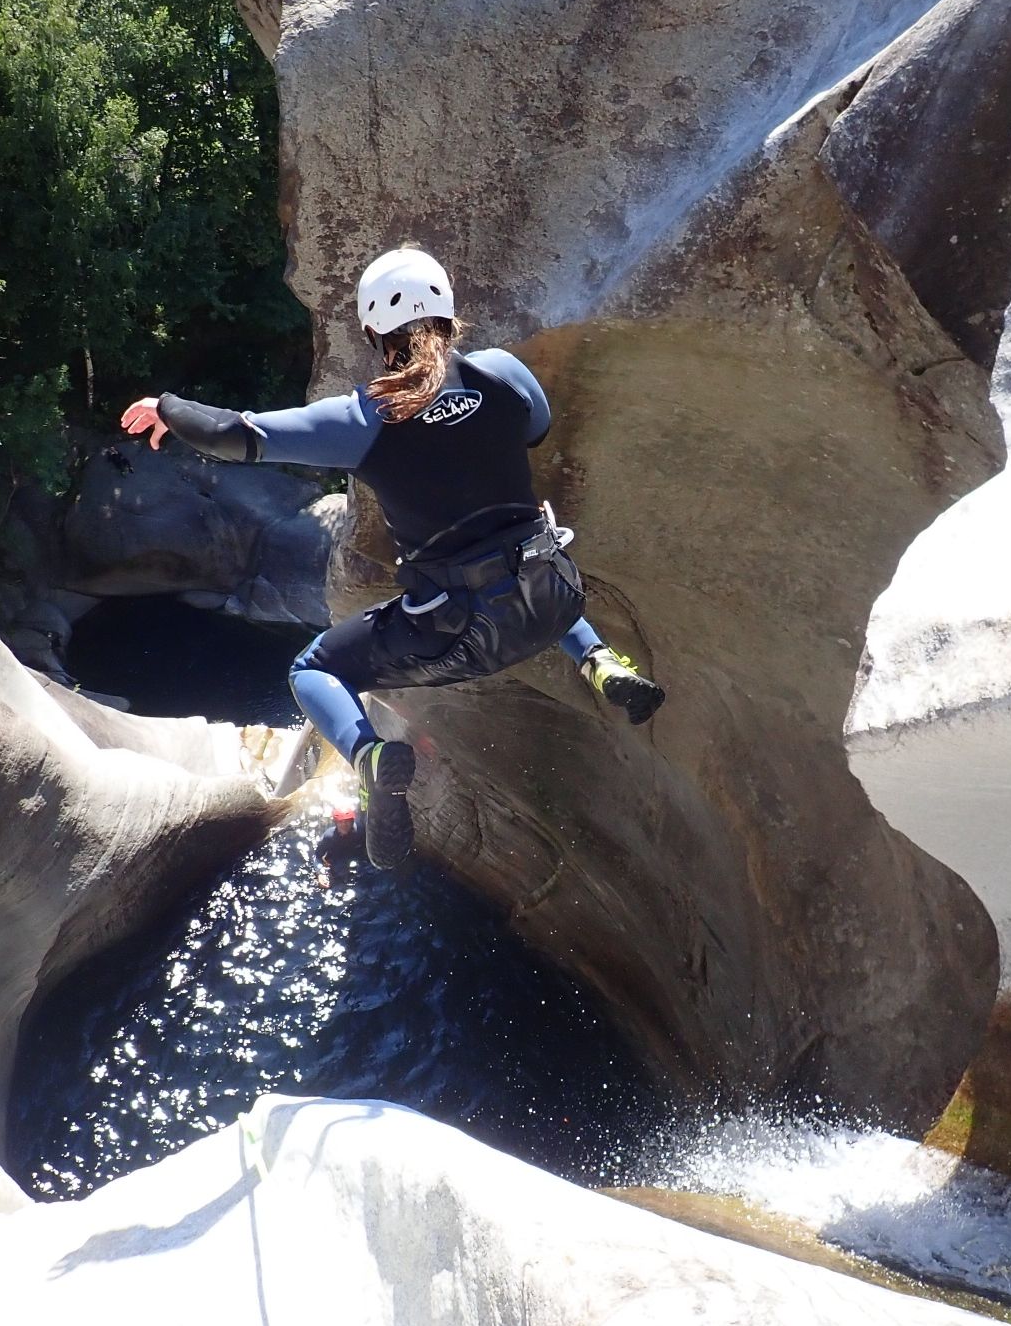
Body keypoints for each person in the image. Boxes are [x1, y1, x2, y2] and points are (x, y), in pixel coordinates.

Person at [120, 247, 664, 869]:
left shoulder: (365, 417)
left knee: (312, 669)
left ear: (374, 333)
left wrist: (168, 407)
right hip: (552, 596)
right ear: (450, 315)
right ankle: (599, 662)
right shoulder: (503, 373)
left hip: (455, 632)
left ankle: (371, 757)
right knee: (525, 557)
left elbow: (240, 435)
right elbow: (535, 427)